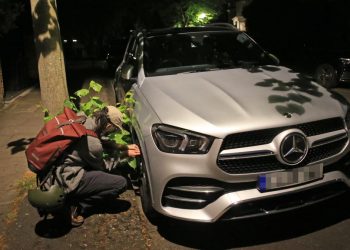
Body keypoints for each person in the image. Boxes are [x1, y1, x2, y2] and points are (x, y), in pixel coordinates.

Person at [42, 105, 141, 227]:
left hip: (50, 174)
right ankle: (74, 206)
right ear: (109, 126)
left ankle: (71, 198)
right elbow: (104, 165)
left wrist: (122, 146)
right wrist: (124, 155)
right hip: (65, 180)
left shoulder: (82, 118)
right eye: (114, 129)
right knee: (120, 183)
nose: (113, 132)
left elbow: (99, 138)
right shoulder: (93, 144)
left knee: (105, 175)